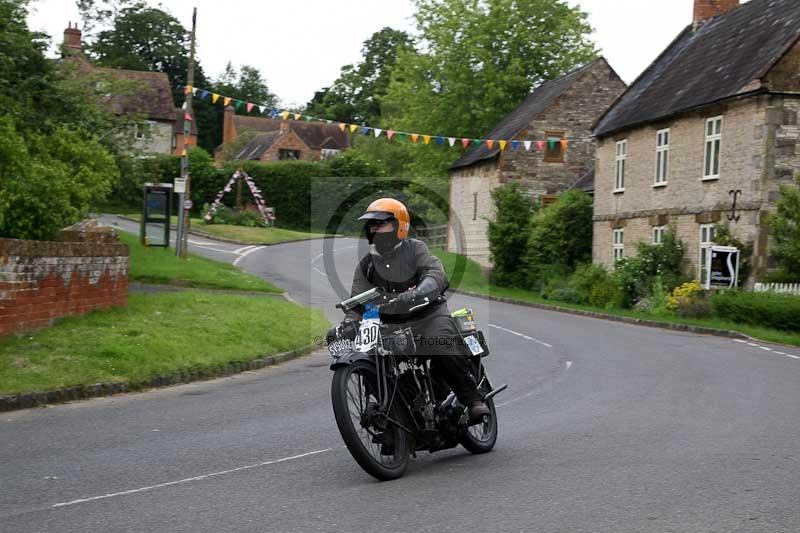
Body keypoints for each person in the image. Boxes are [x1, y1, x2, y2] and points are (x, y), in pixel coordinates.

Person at [329, 197, 490, 423]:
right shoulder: (366, 265)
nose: (374, 228)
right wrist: (349, 322)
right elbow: (357, 302)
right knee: (371, 359)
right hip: (391, 326)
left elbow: (434, 273)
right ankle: (396, 417)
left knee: (440, 342)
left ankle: (472, 400)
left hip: (428, 315)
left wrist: (419, 291)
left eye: (380, 223)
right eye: (371, 224)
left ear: (399, 225)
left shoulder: (415, 249)